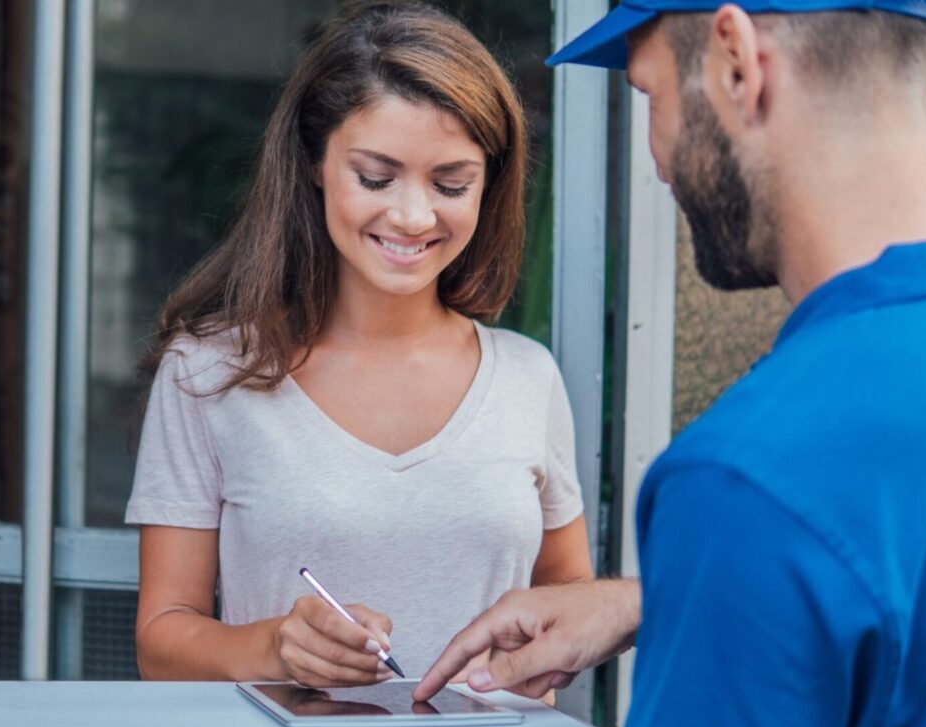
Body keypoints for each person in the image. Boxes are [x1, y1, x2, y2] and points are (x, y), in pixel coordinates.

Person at [415, 0, 926, 727]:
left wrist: (722, 575)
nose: (658, 157)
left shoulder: (751, 477)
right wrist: (664, 600)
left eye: (650, 93)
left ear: (737, 60)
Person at [125, 1, 594, 688]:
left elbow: (569, 608)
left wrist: (540, 659)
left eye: (451, 183)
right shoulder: (208, 372)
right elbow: (160, 639)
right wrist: (277, 646)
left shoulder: (530, 378)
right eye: (376, 177)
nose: (412, 215)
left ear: (489, 184)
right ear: (314, 163)